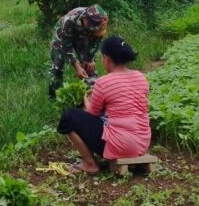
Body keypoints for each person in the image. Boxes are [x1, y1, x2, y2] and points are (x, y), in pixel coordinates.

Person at [56, 36, 151, 174]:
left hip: (120, 145)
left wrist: (86, 101)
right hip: (142, 143)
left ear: (106, 58)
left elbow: (92, 114)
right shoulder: (141, 77)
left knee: (68, 116)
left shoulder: (103, 82)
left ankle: (90, 164)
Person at [48, 4, 108, 98]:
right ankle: (54, 97)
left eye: (96, 26)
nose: (94, 28)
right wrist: (76, 67)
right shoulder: (69, 20)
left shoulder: (101, 21)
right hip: (63, 34)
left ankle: (94, 96)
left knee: (89, 67)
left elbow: (96, 40)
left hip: (82, 37)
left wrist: (90, 59)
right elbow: (66, 46)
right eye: (92, 25)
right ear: (85, 19)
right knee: (57, 65)